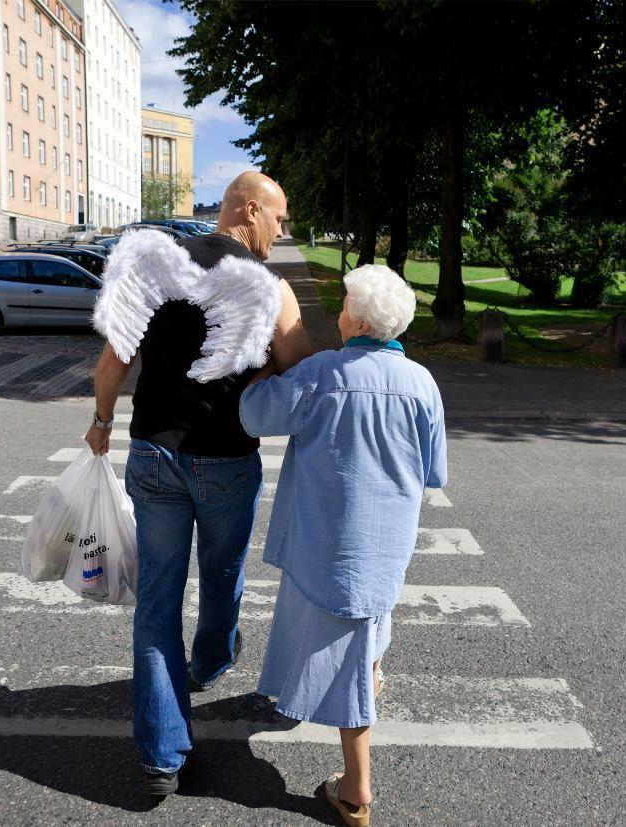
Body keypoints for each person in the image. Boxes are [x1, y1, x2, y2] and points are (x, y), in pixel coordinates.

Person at [83, 171, 314, 799]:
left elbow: (112, 362)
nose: (281, 230)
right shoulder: (272, 290)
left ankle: (162, 756)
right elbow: (300, 377)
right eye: (278, 216)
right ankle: (209, 663)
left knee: (158, 600)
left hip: (154, 454)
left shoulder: (158, 268)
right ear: (247, 209)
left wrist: (102, 422)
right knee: (221, 576)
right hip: (228, 461)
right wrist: (258, 365)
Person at [239, 264, 447, 827]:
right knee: (372, 629)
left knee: (351, 655)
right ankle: (367, 689)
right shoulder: (423, 382)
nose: (336, 313)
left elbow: (256, 415)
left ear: (355, 319)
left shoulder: (324, 374)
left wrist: (259, 370)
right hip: (389, 538)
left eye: (342, 304)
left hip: (330, 541)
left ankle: (357, 790)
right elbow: (435, 471)